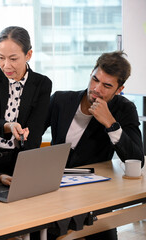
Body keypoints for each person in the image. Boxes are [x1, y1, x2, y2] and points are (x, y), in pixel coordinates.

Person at [44, 51, 144, 240]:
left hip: (94, 197)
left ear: (119, 88)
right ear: (91, 73)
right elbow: (30, 136)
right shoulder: (60, 100)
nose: (97, 89)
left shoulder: (124, 108)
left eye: (107, 86)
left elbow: (136, 160)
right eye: (95, 79)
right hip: (55, 193)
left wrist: (111, 124)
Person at [0, 26, 52, 175]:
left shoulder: (42, 84)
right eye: (1, 57)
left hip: (18, 158)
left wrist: (28, 167)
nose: (6, 65)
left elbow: (36, 129)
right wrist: (9, 126)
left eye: (13, 59)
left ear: (28, 55)